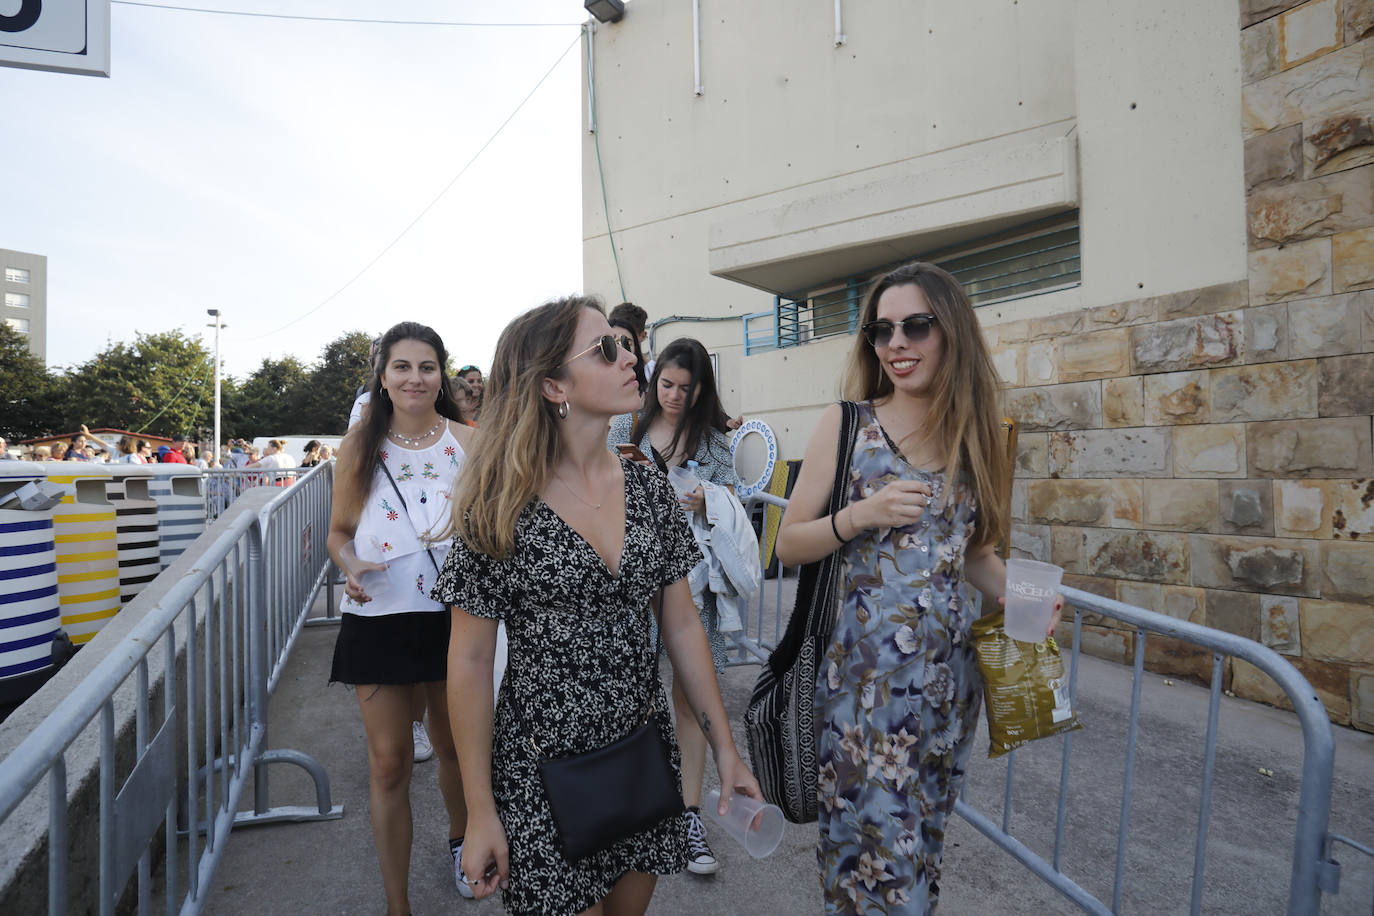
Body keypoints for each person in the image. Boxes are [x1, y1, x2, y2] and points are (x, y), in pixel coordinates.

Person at [435, 297, 760, 915]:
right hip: (544, 770)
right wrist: (479, 811)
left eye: (624, 343)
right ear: (554, 384)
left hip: (641, 751)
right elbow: (471, 665)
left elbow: (683, 625)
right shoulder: (500, 505)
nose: (628, 356)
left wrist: (725, 748)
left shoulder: (646, 485)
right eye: (605, 349)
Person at [774, 262, 1062, 913]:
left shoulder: (977, 436)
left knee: (920, 849)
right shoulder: (848, 423)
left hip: (944, 694)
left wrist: (1024, 597)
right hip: (863, 694)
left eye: (915, 326)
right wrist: (861, 516)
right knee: (875, 862)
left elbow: (977, 554)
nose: (896, 344)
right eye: (882, 330)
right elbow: (789, 541)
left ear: (950, 330)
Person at [326, 321, 476, 916]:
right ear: (383, 378)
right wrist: (351, 563)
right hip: (379, 613)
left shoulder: (471, 440)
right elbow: (340, 534)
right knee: (388, 763)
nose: (415, 378)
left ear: (441, 375)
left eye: (427, 367)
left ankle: (464, 846)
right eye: (402, 367)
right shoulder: (359, 444)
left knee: (454, 746)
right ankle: (398, 904)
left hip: (456, 615)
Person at [606, 336, 740, 877]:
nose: (675, 396)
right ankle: (625, 807)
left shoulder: (712, 442)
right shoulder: (623, 428)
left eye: (686, 388)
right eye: (666, 384)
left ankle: (687, 815)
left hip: (694, 582)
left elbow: (734, 506)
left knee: (690, 700)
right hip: (628, 581)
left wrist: (711, 498)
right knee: (625, 695)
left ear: (701, 388)